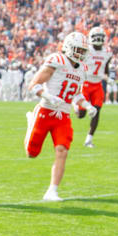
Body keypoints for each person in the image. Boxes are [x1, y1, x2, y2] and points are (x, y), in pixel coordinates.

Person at [24, 32, 98, 201]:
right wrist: (48, 96)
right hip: (45, 111)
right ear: (69, 48)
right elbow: (33, 85)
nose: (81, 54)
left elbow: (76, 95)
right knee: (31, 153)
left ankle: (52, 191)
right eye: (78, 50)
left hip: (63, 115)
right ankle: (30, 123)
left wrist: (87, 105)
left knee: (62, 150)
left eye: (83, 50)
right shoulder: (57, 60)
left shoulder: (82, 70)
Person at [77, 26, 112, 147]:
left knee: (96, 111)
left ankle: (88, 140)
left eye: (100, 37)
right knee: (81, 115)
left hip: (97, 85)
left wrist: (107, 78)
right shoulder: (86, 50)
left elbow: (106, 68)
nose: (98, 39)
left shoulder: (107, 52)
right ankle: (75, 105)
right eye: (96, 37)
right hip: (85, 83)